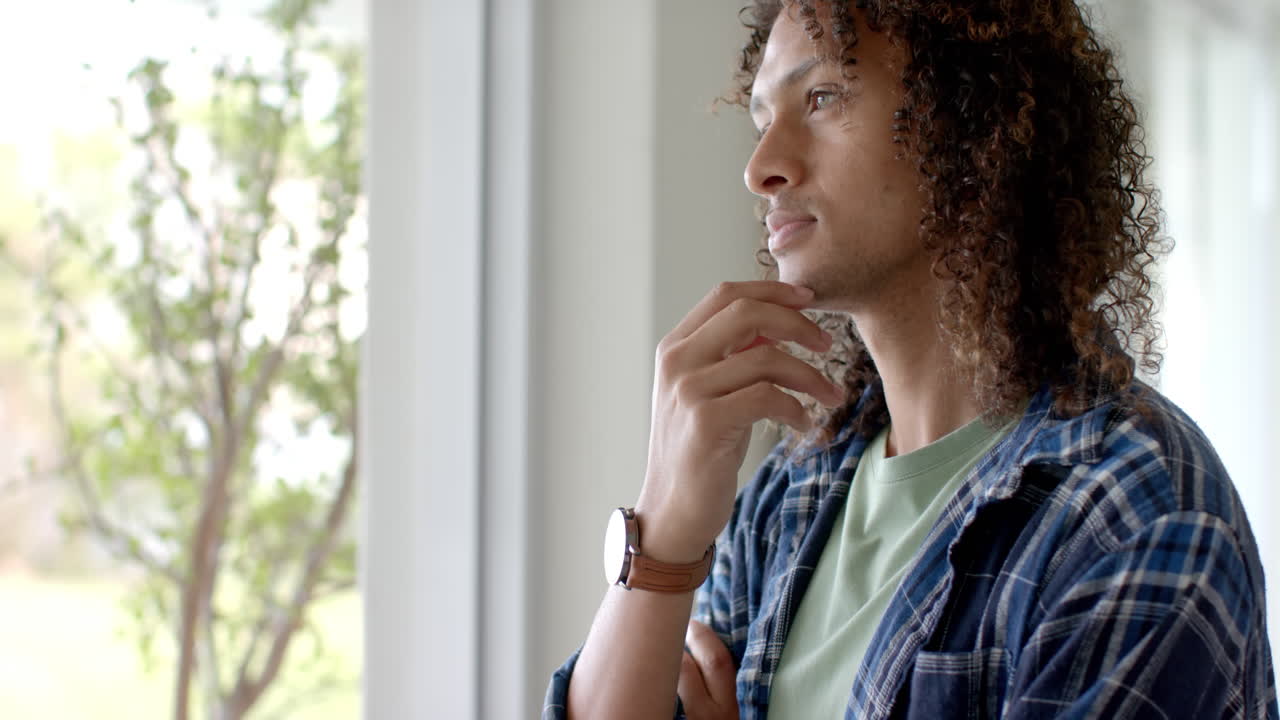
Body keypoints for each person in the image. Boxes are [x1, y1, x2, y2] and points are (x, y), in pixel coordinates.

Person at [544, 0, 1279, 718]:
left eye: (823, 96)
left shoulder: (1134, 513)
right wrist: (665, 532)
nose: (760, 167)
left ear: (974, 120)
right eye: (764, 120)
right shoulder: (791, 492)